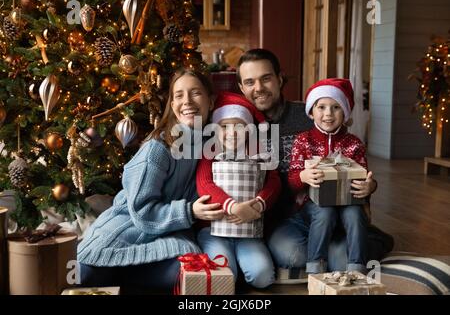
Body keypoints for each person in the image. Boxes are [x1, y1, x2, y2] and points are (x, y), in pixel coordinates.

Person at [236, 48, 393, 274]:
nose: (259, 88)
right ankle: (338, 250)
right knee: (291, 254)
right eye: (250, 82)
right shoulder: (238, 125)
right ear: (242, 88)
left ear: (279, 80)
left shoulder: (311, 113)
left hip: (331, 207)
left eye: (266, 79)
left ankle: (362, 241)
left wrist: (366, 195)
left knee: (340, 256)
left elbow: (349, 157)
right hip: (289, 221)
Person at [77, 68, 224, 292]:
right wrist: (189, 211)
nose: (187, 101)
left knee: (187, 275)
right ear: (173, 105)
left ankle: (120, 279)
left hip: (168, 237)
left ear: (210, 102)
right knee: (81, 276)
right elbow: (141, 210)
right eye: (179, 95)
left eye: (196, 93)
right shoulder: (158, 148)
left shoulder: (210, 146)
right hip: (127, 228)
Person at [195, 92, 281, 288]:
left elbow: (273, 182)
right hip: (213, 230)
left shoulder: (259, 151)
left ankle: (244, 266)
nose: (232, 132)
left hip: (248, 229)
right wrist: (232, 206)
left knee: (263, 277)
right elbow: (205, 183)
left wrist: (259, 203)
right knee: (224, 279)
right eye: (224, 127)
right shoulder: (210, 152)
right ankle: (234, 269)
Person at [288, 78, 370, 274]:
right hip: (312, 205)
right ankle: (315, 268)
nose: (328, 114)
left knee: (355, 213)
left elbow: (364, 176)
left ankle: (357, 269)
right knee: (325, 212)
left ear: (345, 113)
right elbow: (291, 179)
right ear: (311, 111)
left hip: (348, 202)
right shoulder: (303, 141)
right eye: (321, 107)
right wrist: (303, 177)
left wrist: (370, 186)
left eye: (336, 107)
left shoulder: (354, 143)